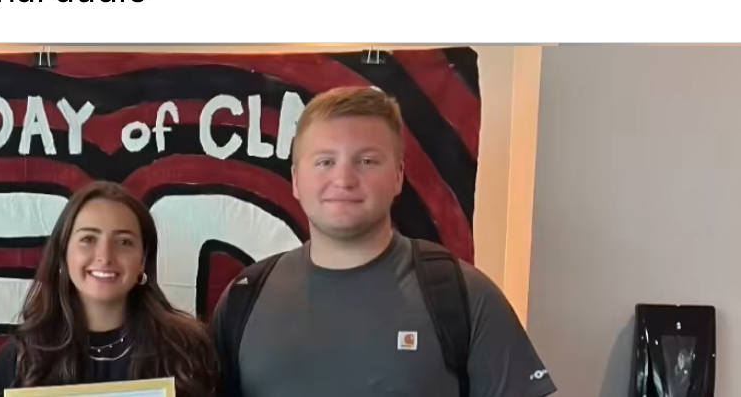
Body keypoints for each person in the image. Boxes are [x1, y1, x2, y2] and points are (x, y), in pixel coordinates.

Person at [210, 86, 557, 397]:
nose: (343, 179)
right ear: (297, 180)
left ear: (398, 176)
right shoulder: (244, 298)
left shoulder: (462, 295)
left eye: (366, 161)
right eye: (325, 161)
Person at [0, 181, 218, 397]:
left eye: (124, 242)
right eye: (88, 239)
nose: (105, 256)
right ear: (63, 254)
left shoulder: (186, 351)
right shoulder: (19, 359)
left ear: (143, 259)